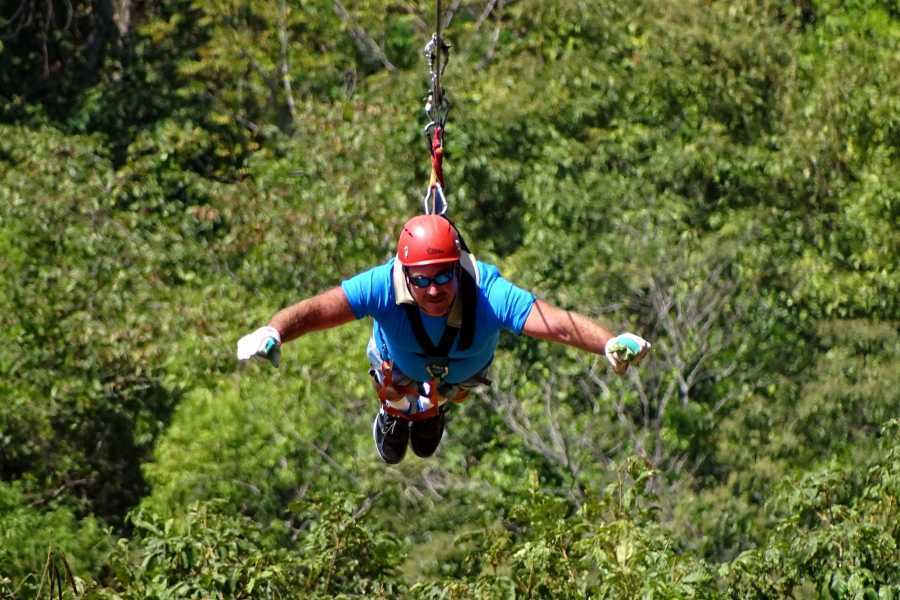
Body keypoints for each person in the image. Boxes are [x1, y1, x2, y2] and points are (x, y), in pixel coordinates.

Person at [237, 214, 650, 464]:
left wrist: (609, 343)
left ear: (457, 268)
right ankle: (397, 412)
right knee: (397, 395)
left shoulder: (488, 292)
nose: (434, 290)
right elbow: (318, 310)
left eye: (443, 277)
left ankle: (430, 411)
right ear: (406, 275)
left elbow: (558, 324)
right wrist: (275, 330)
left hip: (460, 375)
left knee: (439, 398)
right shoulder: (382, 284)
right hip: (398, 365)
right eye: (422, 281)